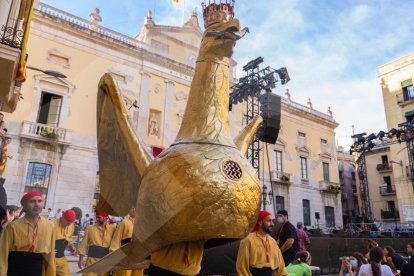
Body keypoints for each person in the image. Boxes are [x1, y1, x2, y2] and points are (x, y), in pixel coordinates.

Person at [0, 191, 56, 276]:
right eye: (32, 201)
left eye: (39, 201)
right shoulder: (12, 227)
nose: (37, 204)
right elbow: (2, 252)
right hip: (14, 269)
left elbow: (50, 255)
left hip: (37, 270)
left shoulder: (50, 226)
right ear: (24, 206)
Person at [236, 210, 288, 276]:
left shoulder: (273, 242)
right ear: (260, 222)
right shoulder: (248, 240)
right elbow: (242, 266)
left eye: (272, 221)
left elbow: (281, 267)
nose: (272, 224)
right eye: (269, 221)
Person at [78, 210, 115, 276]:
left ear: (105, 217)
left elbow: (114, 246)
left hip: (105, 263)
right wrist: (80, 260)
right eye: (96, 217)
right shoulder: (90, 228)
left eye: (99, 217)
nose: (97, 219)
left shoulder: (112, 229)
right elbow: (83, 245)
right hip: (91, 262)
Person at [110, 207, 143, 276]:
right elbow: (116, 240)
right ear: (129, 210)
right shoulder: (124, 222)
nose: (134, 210)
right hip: (125, 257)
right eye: (132, 208)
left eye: (136, 208)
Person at [54, 209, 77, 276]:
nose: (68, 224)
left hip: (61, 258)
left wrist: (71, 246)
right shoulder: (51, 224)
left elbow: (69, 238)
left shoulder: (71, 225)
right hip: (50, 259)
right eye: (67, 222)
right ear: (62, 217)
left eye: (70, 223)